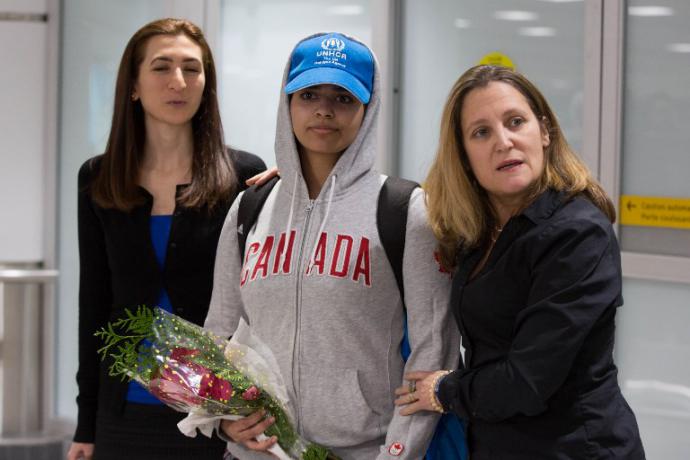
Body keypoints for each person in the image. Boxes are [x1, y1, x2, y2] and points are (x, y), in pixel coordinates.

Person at [201, 32, 460, 459]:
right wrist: (222, 420)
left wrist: (396, 454)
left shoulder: (404, 211)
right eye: (308, 94)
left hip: (360, 451)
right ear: (287, 104)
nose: (324, 109)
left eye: (343, 98)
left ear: (367, 108)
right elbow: (220, 331)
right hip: (257, 453)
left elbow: (434, 352)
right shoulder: (249, 209)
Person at [395, 65, 645, 459]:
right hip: (498, 443)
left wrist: (444, 390)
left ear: (544, 132)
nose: (504, 141)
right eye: (481, 132)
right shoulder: (480, 230)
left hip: (574, 448)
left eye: (515, 122)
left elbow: (527, 381)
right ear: (463, 156)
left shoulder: (576, 233)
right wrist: (297, 183)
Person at [67, 18, 266, 460]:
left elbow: (261, 301)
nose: (179, 82)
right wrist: (86, 426)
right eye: (161, 67)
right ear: (133, 86)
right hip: (126, 410)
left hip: (216, 412)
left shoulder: (243, 176)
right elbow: (94, 304)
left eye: (192, 69)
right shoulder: (98, 178)